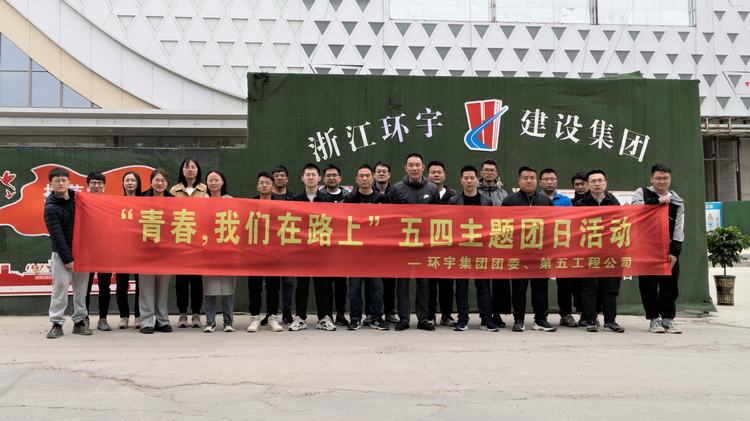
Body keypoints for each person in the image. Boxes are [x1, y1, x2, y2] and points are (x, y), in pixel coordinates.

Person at [387, 153, 441, 331]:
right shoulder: (396, 189)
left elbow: (438, 217)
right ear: (406, 168)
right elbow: (390, 217)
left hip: (424, 245)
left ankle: (423, 319)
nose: (414, 168)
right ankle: (403, 319)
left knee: (424, 283)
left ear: (423, 167)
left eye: (417, 165)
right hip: (403, 245)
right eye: (411, 165)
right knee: (402, 283)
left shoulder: (432, 189)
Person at [501, 166, 556, 333]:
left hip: (541, 252)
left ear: (537, 181)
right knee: (519, 288)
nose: (529, 181)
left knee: (541, 288)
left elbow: (551, 227)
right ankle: (519, 319)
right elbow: (503, 227)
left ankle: (540, 319)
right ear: (519, 181)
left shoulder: (546, 201)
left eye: (532, 178)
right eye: (525, 178)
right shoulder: (509, 201)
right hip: (518, 253)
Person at [632, 163, 684, 334]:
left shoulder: (677, 200)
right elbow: (635, 210)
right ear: (652, 179)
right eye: (658, 178)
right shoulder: (641, 193)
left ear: (670, 179)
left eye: (665, 178)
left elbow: (679, 227)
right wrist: (657, 201)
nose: (662, 181)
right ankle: (654, 318)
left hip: (668, 248)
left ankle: (668, 318)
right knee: (648, 285)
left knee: (670, 286)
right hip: (646, 248)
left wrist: (675, 252)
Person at [574, 169, 625, 333]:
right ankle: (591, 320)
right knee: (589, 288)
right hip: (589, 252)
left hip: (611, 252)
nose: (597, 184)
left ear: (605, 183)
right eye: (593, 181)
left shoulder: (614, 202)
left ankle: (610, 321)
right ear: (588, 184)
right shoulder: (580, 204)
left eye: (600, 180)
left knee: (611, 288)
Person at [448, 165, 497, 332]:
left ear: (477, 180)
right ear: (461, 181)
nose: (469, 181)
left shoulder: (487, 201)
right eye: (466, 178)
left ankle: (486, 320)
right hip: (461, 250)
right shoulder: (454, 201)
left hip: (481, 250)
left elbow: (491, 224)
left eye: (472, 178)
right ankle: (463, 319)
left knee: (484, 286)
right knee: (461, 287)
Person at [44, 167, 91, 338]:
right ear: (50, 184)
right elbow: (57, 236)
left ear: (69, 182)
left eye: (64, 180)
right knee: (60, 288)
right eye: (57, 180)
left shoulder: (79, 200)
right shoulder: (50, 207)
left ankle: (80, 322)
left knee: (81, 290)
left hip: (82, 253)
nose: (61, 183)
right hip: (61, 255)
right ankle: (56, 323)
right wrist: (68, 259)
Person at [289, 163, 336, 332]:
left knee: (323, 285)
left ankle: (324, 317)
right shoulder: (295, 200)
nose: (310, 177)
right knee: (301, 285)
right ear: (302, 178)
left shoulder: (327, 200)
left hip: (321, 249)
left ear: (319, 178)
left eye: (313, 174)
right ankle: (300, 317)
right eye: (307, 174)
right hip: (302, 250)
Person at [343, 164, 389, 331]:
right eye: (361, 176)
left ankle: (376, 318)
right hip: (355, 252)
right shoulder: (349, 199)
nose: (364, 179)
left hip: (375, 252)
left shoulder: (381, 199)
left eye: (367, 176)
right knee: (354, 288)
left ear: (372, 178)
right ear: (356, 179)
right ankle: (355, 318)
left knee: (377, 287)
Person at [540, 168, 580, 328]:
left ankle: (566, 314)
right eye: (546, 179)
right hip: (541, 246)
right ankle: (541, 313)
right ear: (540, 182)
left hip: (561, 246)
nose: (549, 182)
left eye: (552, 179)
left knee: (565, 283)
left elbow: (568, 221)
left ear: (556, 181)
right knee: (540, 282)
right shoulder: (535, 199)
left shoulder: (565, 201)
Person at [170, 157, 207, 328]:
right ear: (182, 170)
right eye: (187, 167)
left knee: (197, 280)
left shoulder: (205, 190)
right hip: (180, 241)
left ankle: (196, 313)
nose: (190, 170)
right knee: (181, 281)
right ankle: (182, 313)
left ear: (198, 170)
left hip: (198, 242)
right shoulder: (174, 190)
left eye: (193, 166)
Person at [247, 171, 283, 333]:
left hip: (274, 252)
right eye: (261, 183)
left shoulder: (280, 206)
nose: (264, 185)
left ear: (272, 186)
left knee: (273, 287)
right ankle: (254, 318)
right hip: (255, 251)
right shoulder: (249, 205)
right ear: (257, 186)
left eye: (267, 183)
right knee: (254, 287)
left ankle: (272, 318)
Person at [139, 169, 173, 334]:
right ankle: (146, 321)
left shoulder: (174, 201)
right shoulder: (141, 199)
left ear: (167, 183)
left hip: (166, 250)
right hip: (145, 249)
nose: (159, 183)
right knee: (146, 285)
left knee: (163, 286)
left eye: (162, 180)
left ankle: (162, 320)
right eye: (156, 180)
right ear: (151, 182)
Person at [202, 170, 237, 333]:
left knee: (228, 288)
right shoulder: (202, 201)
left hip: (227, 249)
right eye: (210, 180)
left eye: (216, 180)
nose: (213, 183)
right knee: (209, 288)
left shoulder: (230, 200)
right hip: (208, 249)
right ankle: (210, 322)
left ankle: (228, 322)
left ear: (222, 182)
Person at [478, 158, 511, 328]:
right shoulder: (474, 191)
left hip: (499, 241)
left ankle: (497, 313)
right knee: (483, 281)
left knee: (500, 281)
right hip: (480, 242)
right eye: (486, 170)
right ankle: (485, 313)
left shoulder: (503, 194)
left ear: (496, 173)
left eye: (492, 170)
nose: (489, 172)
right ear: (481, 172)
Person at [82, 172, 113, 331]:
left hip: (104, 250)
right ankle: (84, 318)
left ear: (104, 186)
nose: (96, 186)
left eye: (100, 183)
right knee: (84, 286)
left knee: (105, 286)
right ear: (88, 185)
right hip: (86, 251)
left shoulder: (110, 203)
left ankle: (103, 319)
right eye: (93, 183)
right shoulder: (81, 202)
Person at [426, 160, 456, 326]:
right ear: (427, 175)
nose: (436, 175)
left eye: (439, 172)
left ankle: (446, 314)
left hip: (448, 246)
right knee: (429, 284)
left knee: (447, 284)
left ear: (444, 176)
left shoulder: (453, 196)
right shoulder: (423, 194)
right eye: (433, 172)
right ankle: (430, 314)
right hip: (428, 246)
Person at [322, 164, 349, 326]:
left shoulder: (349, 196)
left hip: (342, 246)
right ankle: (327, 314)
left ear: (340, 178)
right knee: (325, 284)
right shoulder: (319, 196)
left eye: (334, 175)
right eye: (328, 175)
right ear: (323, 178)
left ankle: (340, 313)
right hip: (324, 246)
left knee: (341, 284)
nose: (331, 178)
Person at [116, 171, 142, 329]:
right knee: (121, 284)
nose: (130, 183)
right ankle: (124, 316)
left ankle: (139, 316)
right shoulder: (117, 202)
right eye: (127, 180)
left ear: (138, 183)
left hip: (140, 249)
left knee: (141, 284)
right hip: (122, 249)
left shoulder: (144, 201)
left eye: (133, 180)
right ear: (123, 183)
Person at [373, 161, 397, 325]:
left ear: (389, 175)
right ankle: (371, 313)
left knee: (390, 280)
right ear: (374, 174)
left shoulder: (395, 192)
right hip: (372, 244)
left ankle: (389, 312)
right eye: (378, 171)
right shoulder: (367, 190)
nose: (381, 174)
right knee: (372, 281)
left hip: (391, 242)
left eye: (384, 171)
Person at [270, 165, 295, 324]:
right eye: (277, 175)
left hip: (289, 247)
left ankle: (287, 313)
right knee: (271, 284)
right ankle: (270, 313)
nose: (279, 178)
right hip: (270, 247)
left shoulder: (294, 198)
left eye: (282, 175)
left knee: (288, 282)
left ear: (287, 178)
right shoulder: (266, 197)